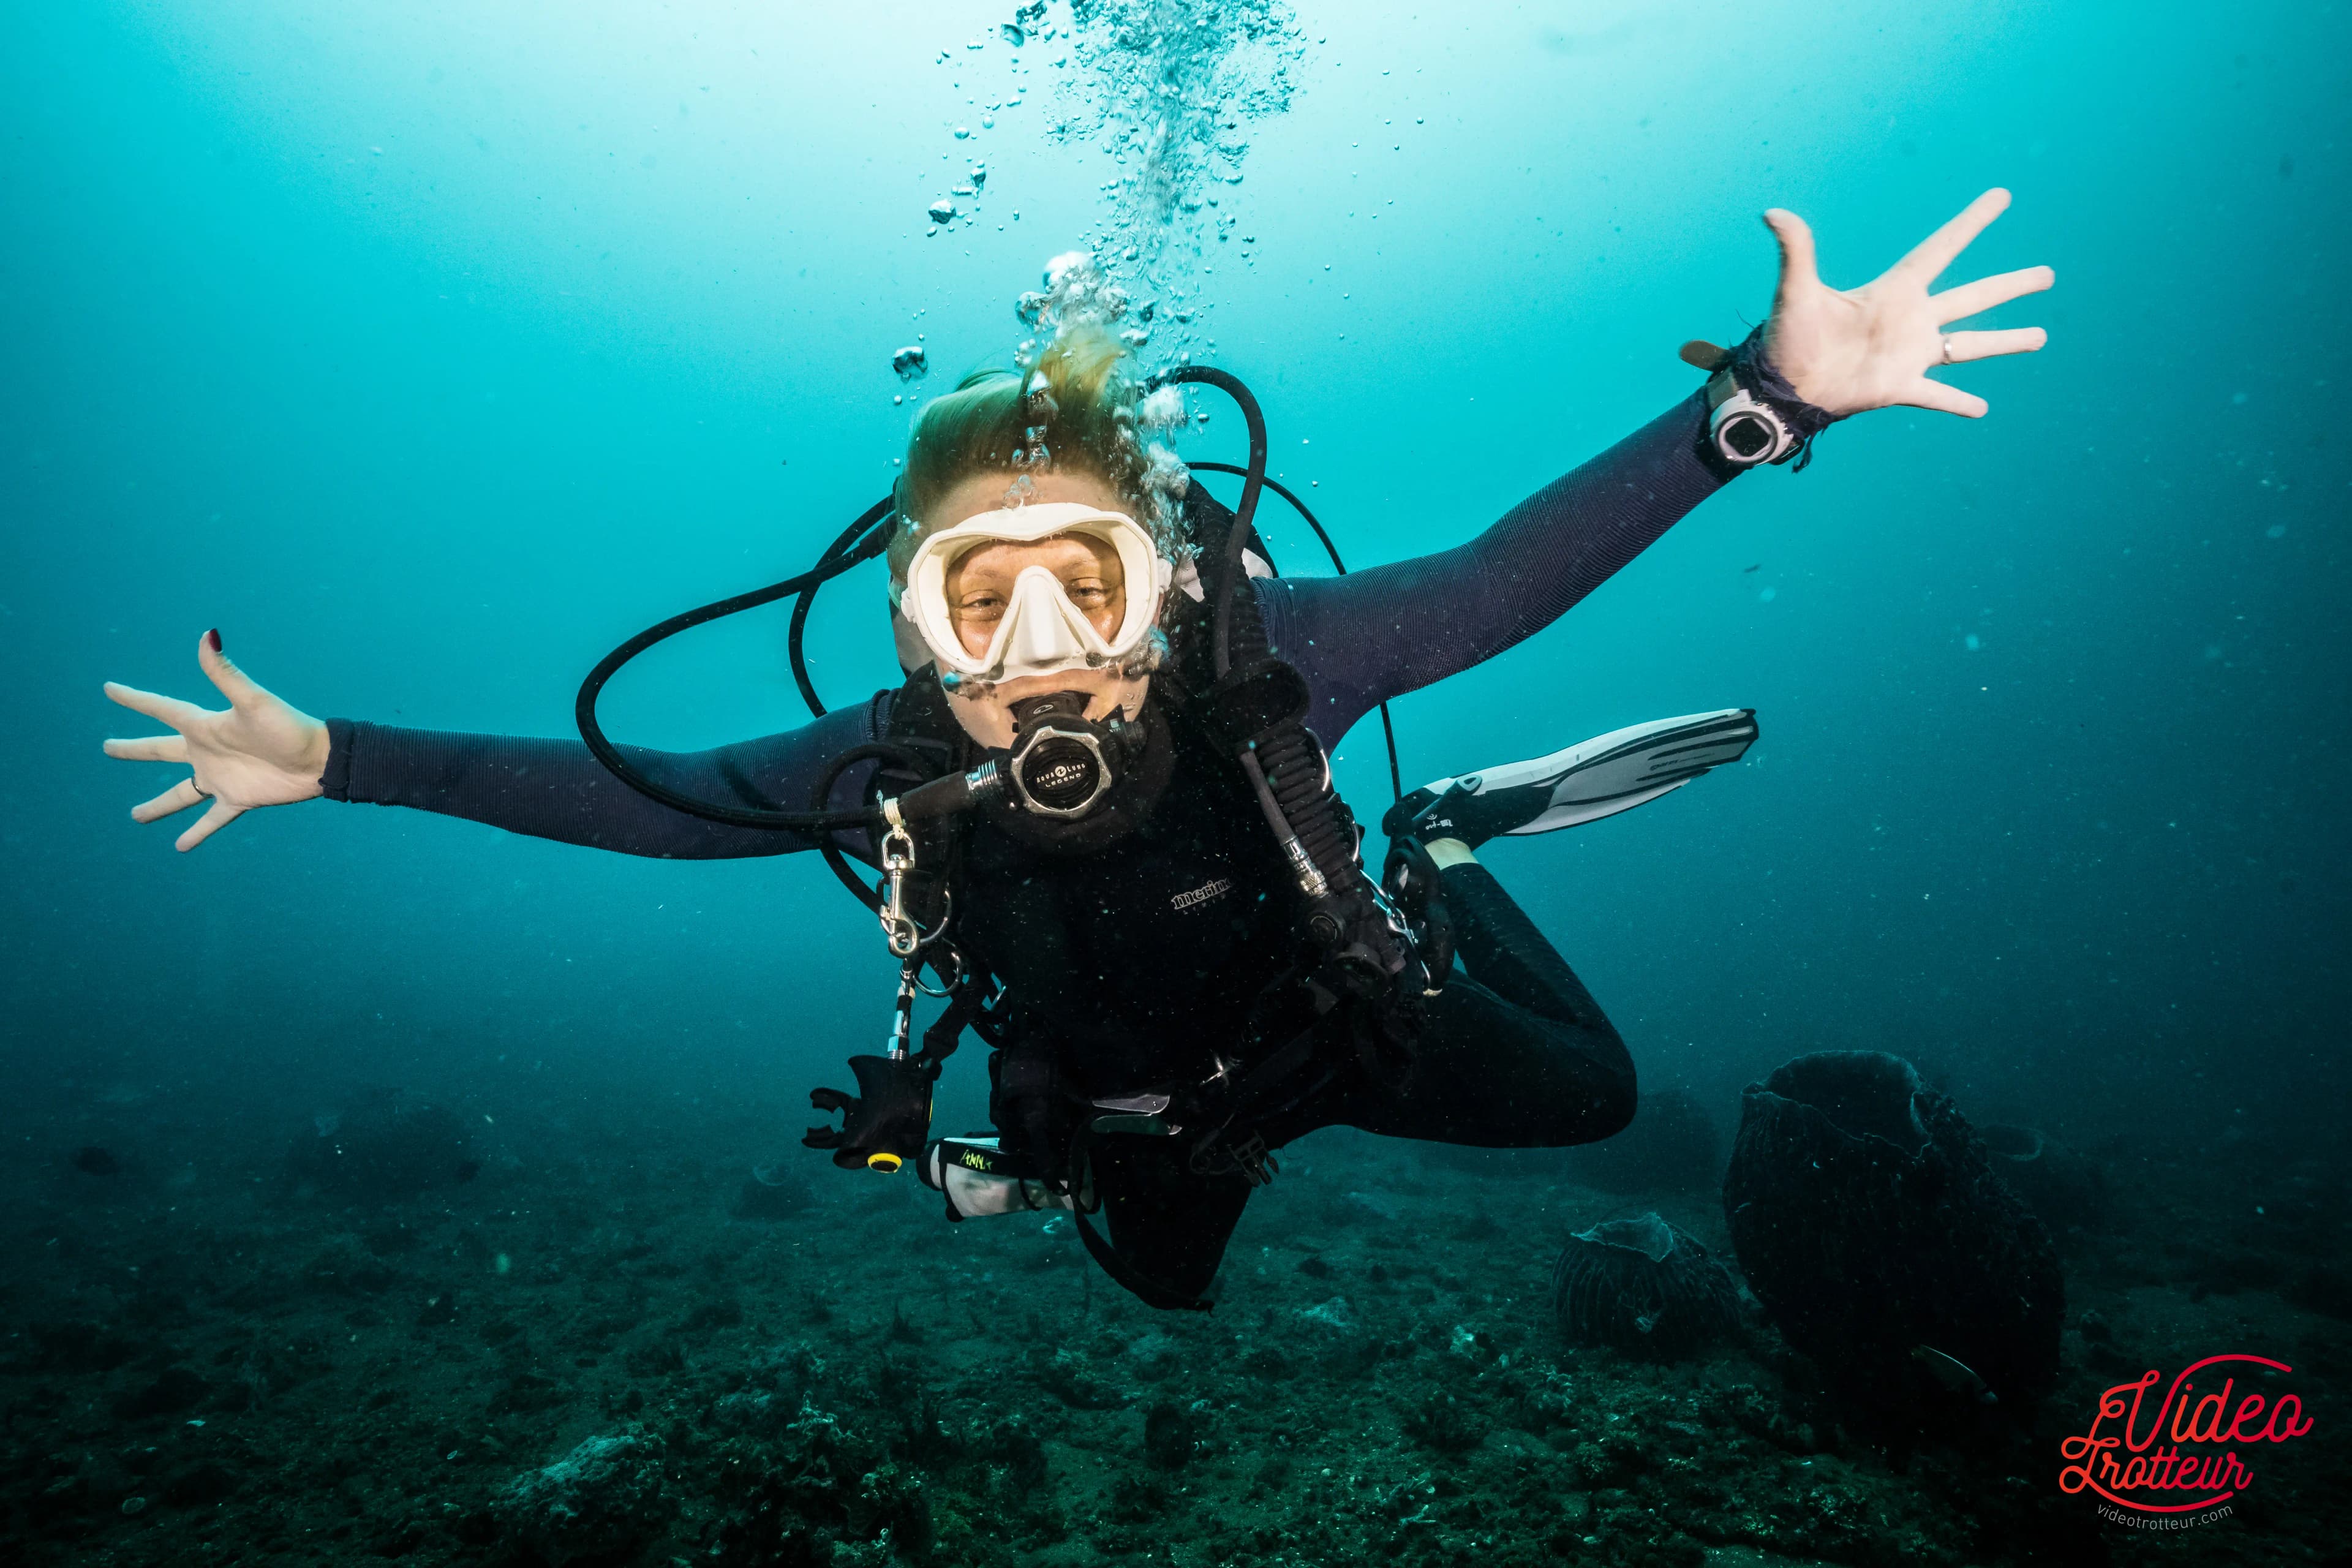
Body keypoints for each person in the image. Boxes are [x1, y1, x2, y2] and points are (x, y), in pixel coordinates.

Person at [102, 192, 2052, 1308]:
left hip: (1340, 1022)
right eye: (980, 603)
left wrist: (1772, 404)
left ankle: (1444, 854)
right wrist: (335, 755)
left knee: (1600, 1103)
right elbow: (639, 798)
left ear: (1165, 582)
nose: (1041, 652)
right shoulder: (887, 758)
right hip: (1132, 1104)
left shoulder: (1266, 661)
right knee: (1168, 1295)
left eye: (1085, 587)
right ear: (912, 628)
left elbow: (1510, 575)